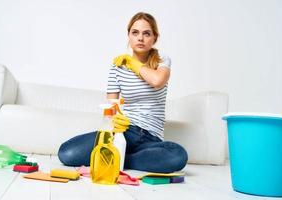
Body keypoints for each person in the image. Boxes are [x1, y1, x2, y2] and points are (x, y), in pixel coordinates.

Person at [58, 12, 188, 173]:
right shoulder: (117, 67)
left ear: (155, 38)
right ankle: (122, 154)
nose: (140, 38)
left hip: (152, 139)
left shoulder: (162, 60)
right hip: (126, 132)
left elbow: (157, 81)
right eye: (135, 33)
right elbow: (110, 107)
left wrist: (132, 62)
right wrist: (113, 121)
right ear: (129, 35)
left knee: (178, 155)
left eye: (146, 33)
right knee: (67, 153)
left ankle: (116, 158)